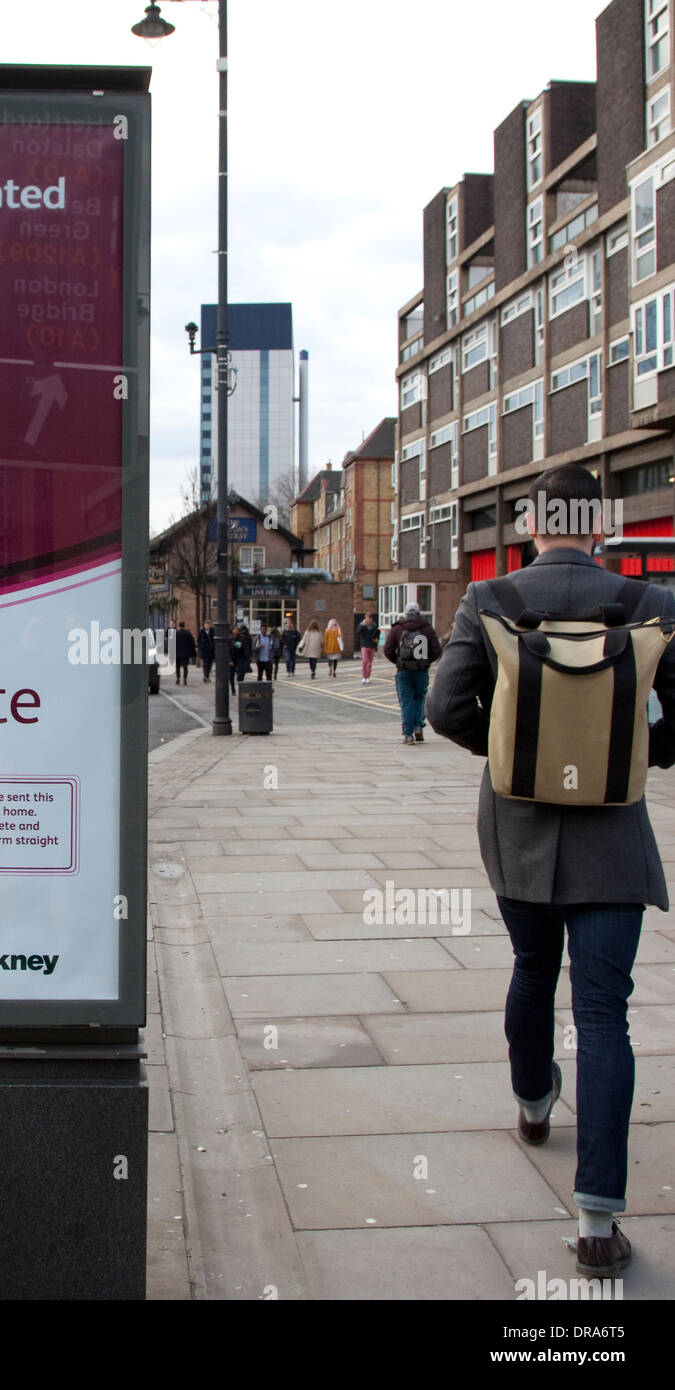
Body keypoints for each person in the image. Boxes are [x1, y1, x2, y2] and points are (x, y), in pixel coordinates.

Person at [427, 464, 675, 1280]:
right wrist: (632, 752)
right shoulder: (651, 606)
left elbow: (443, 709)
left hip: (518, 826)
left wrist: (509, 756)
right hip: (611, 831)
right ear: (598, 525)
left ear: (531, 525)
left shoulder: (489, 600)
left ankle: (533, 1102)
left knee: (532, 968)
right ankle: (598, 1219)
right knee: (605, 1012)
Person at [384, 602, 441, 743]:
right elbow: (436, 649)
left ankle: (408, 734)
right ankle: (418, 727)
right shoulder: (427, 629)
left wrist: (398, 662)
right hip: (421, 670)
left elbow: (388, 650)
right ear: (418, 613)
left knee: (406, 701)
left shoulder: (397, 628)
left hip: (403, 670)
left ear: (406, 613)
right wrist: (426, 662)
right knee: (419, 699)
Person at [356, 611, 380, 684]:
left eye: (368, 618)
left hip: (372, 645)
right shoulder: (362, 624)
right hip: (364, 645)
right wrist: (362, 625)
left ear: (371, 619)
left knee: (369, 663)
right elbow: (358, 632)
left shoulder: (374, 625)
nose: (367, 620)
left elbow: (376, 633)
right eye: (366, 618)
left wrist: (376, 638)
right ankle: (364, 677)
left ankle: (368, 677)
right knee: (365, 661)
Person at [229, 623, 251, 694]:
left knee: (241, 671)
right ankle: (233, 689)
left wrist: (247, 658)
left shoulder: (241, 638)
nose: (236, 630)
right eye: (235, 629)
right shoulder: (229, 639)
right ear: (232, 630)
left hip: (240, 657)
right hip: (232, 658)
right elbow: (227, 650)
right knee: (231, 675)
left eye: (237, 629)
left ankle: (240, 684)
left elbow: (245, 648)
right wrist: (229, 660)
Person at [174, 621, 197, 685]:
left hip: (177, 652)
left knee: (177, 666)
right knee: (185, 666)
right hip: (185, 653)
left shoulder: (176, 633)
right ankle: (185, 679)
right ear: (184, 626)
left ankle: (178, 678)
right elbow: (191, 642)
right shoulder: (188, 633)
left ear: (179, 626)